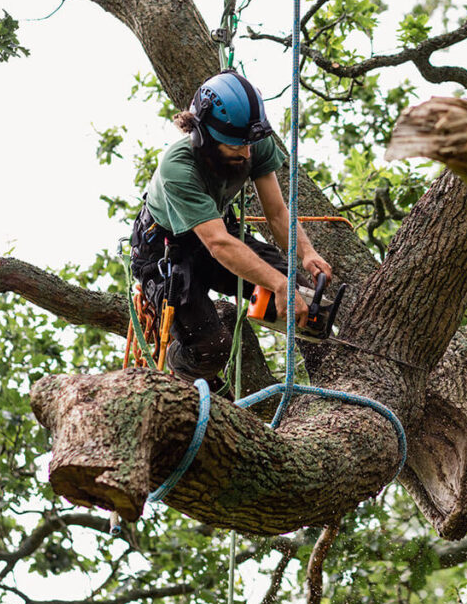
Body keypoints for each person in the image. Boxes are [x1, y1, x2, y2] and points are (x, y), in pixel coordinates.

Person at [130, 70, 332, 383]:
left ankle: (324, 373)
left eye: (249, 144)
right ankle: (181, 364)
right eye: (235, 146)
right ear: (203, 137)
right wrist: (276, 283)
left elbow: (277, 213)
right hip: (166, 253)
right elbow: (219, 244)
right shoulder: (178, 167)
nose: (246, 153)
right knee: (211, 346)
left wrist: (305, 253)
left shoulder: (249, 139)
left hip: (217, 235)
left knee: (303, 299)